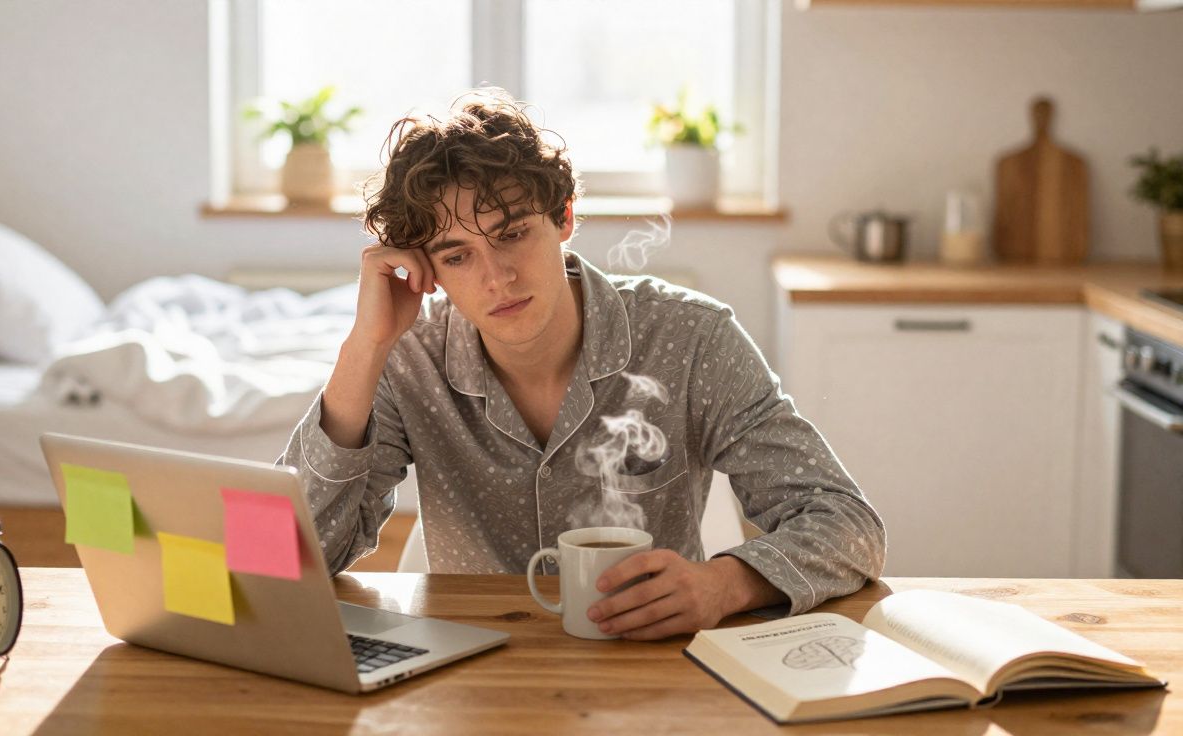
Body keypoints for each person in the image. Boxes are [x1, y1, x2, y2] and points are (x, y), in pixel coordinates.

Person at [279, 89, 885, 641]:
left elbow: (847, 523)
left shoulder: (693, 339)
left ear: (563, 217)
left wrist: (727, 585)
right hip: (467, 675)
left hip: (650, 667)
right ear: (428, 271)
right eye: (458, 256)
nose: (497, 278)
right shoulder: (407, 359)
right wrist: (364, 346)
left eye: (512, 234)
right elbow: (283, 559)